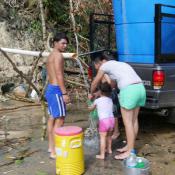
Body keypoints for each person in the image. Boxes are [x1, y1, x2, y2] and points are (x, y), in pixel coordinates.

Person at [90, 53, 146, 159]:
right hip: (140, 88)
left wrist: (91, 93)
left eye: (96, 65)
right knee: (134, 120)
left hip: (129, 90)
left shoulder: (104, 66)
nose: (97, 68)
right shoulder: (120, 65)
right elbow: (113, 85)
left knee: (128, 122)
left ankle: (130, 151)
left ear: (100, 62)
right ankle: (130, 147)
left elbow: (95, 82)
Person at [44, 32, 70, 159]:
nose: (65, 46)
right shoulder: (58, 56)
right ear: (55, 42)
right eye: (62, 43)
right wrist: (64, 93)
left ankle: (50, 147)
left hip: (50, 89)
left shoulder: (50, 55)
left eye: (66, 43)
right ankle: (54, 152)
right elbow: (59, 76)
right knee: (60, 119)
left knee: (52, 118)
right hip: (56, 90)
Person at [88, 82, 115, 159]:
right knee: (109, 136)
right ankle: (109, 149)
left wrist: (90, 100)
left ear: (100, 91)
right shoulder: (110, 100)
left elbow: (91, 109)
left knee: (103, 138)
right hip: (111, 120)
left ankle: (102, 155)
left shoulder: (97, 101)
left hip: (104, 121)